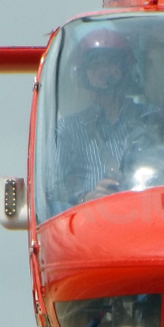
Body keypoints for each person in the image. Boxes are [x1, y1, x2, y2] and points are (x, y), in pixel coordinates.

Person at [46, 28, 147, 211]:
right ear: (82, 74)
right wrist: (86, 197)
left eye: (112, 62)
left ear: (125, 70)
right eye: (95, 64)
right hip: (90, 221)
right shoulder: (67, 129)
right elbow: (53, 189)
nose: (104, 71)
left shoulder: (150, 121)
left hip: (144, 214)